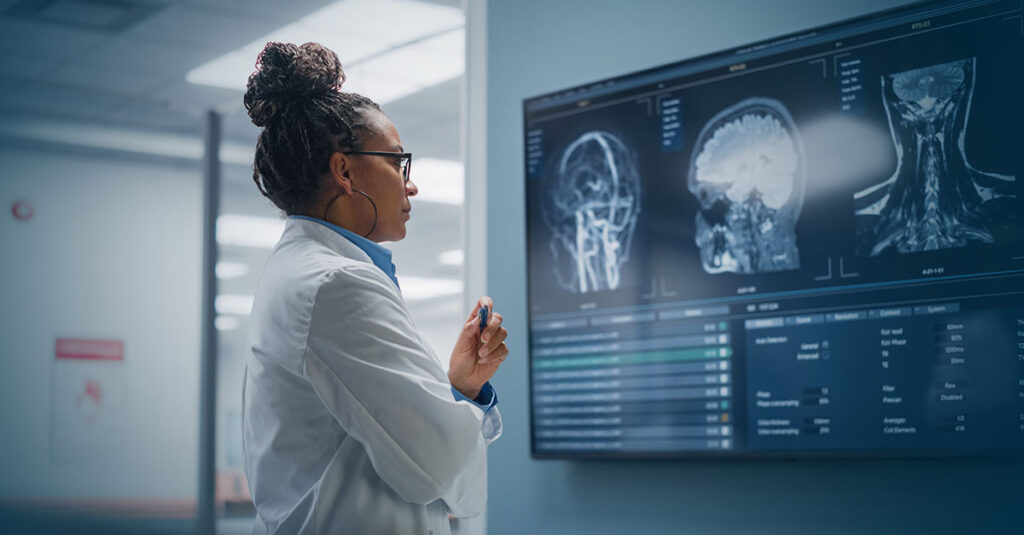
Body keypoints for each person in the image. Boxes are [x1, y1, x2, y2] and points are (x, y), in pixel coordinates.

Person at [241, 41, 508, 535]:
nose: (411, 186)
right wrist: (457, 418)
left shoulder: (303, 271)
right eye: (397, 162)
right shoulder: (336, 283)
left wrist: (461, 389)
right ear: (344, 171)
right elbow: (440, 469)